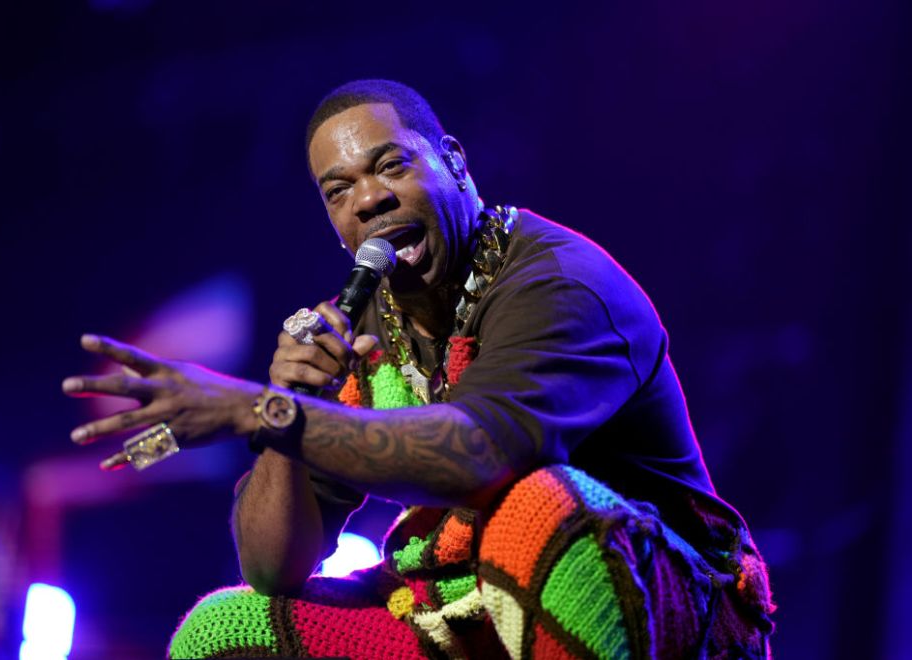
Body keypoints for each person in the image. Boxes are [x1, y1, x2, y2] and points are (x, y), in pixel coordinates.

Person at [62, 79, 774, 658]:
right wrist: (286, 406)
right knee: (223, 634)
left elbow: (481, 454)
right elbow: (273, 567)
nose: (367, 200)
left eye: (390, 166)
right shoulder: (362, 327)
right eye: (337, 191)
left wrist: (259, 409)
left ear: (456, 163)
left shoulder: (560, 283)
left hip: (673, 609)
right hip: (469, 612)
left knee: (538, 508)